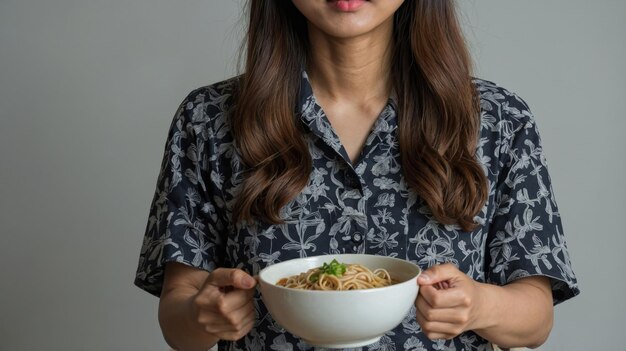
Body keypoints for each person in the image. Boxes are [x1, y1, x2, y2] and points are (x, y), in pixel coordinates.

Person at [134, 1, 579, 350]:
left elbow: (536, 318)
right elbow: (178, 319)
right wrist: (201, 314)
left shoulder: (498, 119)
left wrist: (480, 305)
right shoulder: (208, 118)